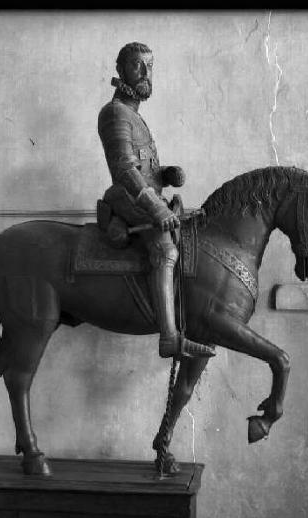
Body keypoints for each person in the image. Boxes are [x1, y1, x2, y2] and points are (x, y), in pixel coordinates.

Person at [98, 42, 214, 359]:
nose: (147, 73)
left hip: (144, 194)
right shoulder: (114, 113)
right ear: (121, 70)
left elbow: (144, 170)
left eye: (150, 65)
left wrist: (165, 174)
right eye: (138, 65)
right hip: (126, 198)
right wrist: (157, 207)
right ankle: (169, 338)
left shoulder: (134, 115)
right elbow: (125, 170)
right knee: (165, 248)